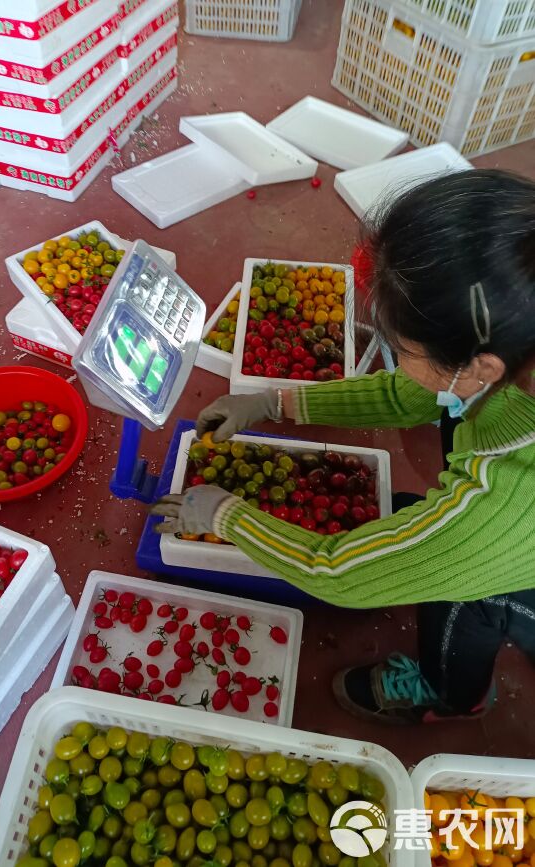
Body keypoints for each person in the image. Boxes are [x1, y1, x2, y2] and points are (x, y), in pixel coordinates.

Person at [151, 169, 535, 725]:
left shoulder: (508, 497)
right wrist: (275, 403)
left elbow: (339, 574)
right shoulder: (511, 345)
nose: (396, 360)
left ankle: (452, 695)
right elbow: (412, 394)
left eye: (402, 347)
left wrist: (227, 516)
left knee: (468, 595)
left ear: (481, 368)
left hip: (520, 559)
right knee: (440, 539)